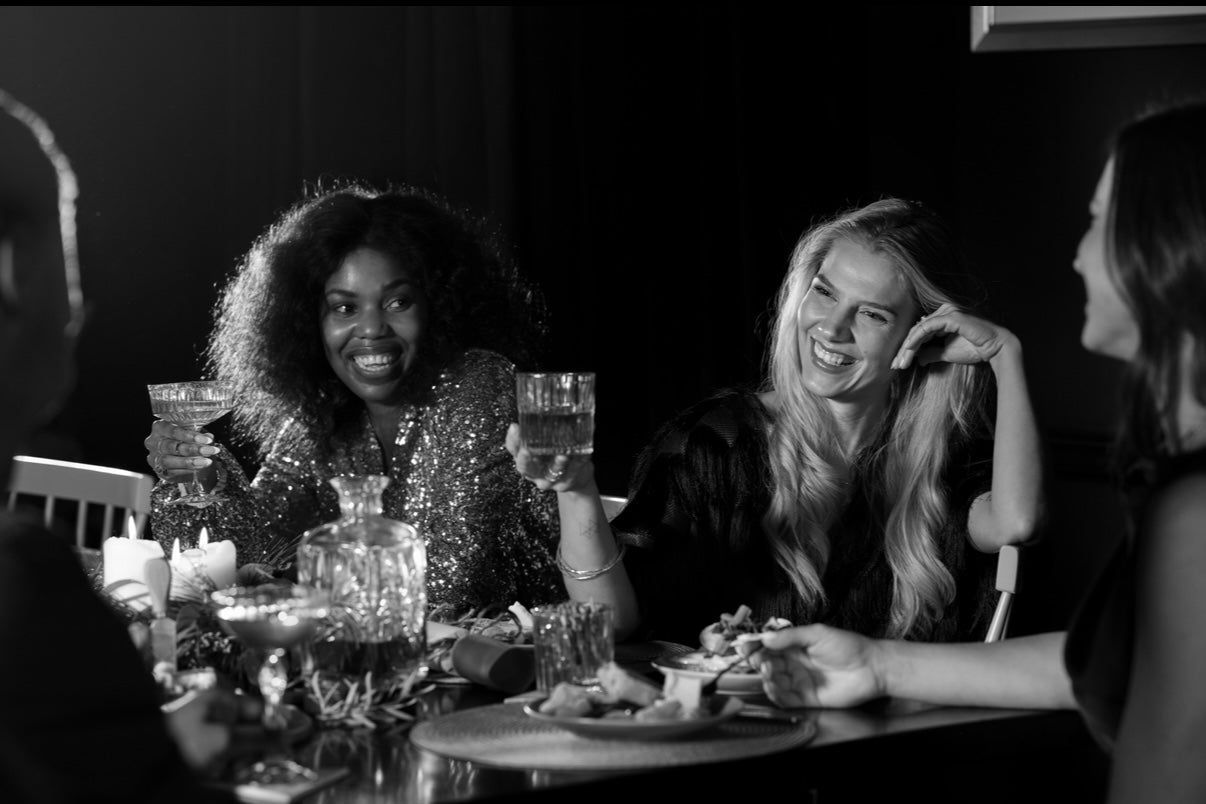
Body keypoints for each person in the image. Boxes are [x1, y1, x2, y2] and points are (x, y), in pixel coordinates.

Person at [755, 100, 1206, 803]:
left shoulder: (1194, 508)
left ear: (1163, 248)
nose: (1079, 254)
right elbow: (1091, 664)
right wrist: (877, 664)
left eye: (1096, 222)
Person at [509, 198, 1044, 645]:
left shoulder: (936, 462)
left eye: (872, 313)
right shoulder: (719, 443)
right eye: (825, 292)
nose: (831, 328)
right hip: (730, 748)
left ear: (920, 333)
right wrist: (577, 489)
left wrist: (1006, 355)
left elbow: (1017, 524)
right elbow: (610, 624)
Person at [144, 183, 562, 616]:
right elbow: (254, 556)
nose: (371, 329)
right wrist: (206, 481)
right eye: (344, 308)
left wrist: (305, 585)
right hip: (392, 667)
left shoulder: (477, 383)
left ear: (437, 306)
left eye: (397, 302)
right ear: (308, 322)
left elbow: (452, 585)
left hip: (531, 666)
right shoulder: (323, 413)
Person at [0, 89, 245, 802]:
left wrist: (146, 746)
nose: (80, 309)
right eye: (67, 265)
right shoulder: (22, 586)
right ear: (13, 280)